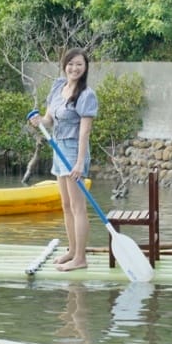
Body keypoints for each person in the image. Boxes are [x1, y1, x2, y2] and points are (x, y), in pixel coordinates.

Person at [30, 48, 98, 271]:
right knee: (66, 205)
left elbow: (84, 132)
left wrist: (79, 163)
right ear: (64, 65)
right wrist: (40, 120)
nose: (74, 68)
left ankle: (81, 258)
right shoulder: (58, 86)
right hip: (57, 147)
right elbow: (50, 120)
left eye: (79, 64)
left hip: (73, 151)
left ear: (85, 67)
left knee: (78, 207)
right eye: (71, 64)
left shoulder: (87, 94)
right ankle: (71, 250)